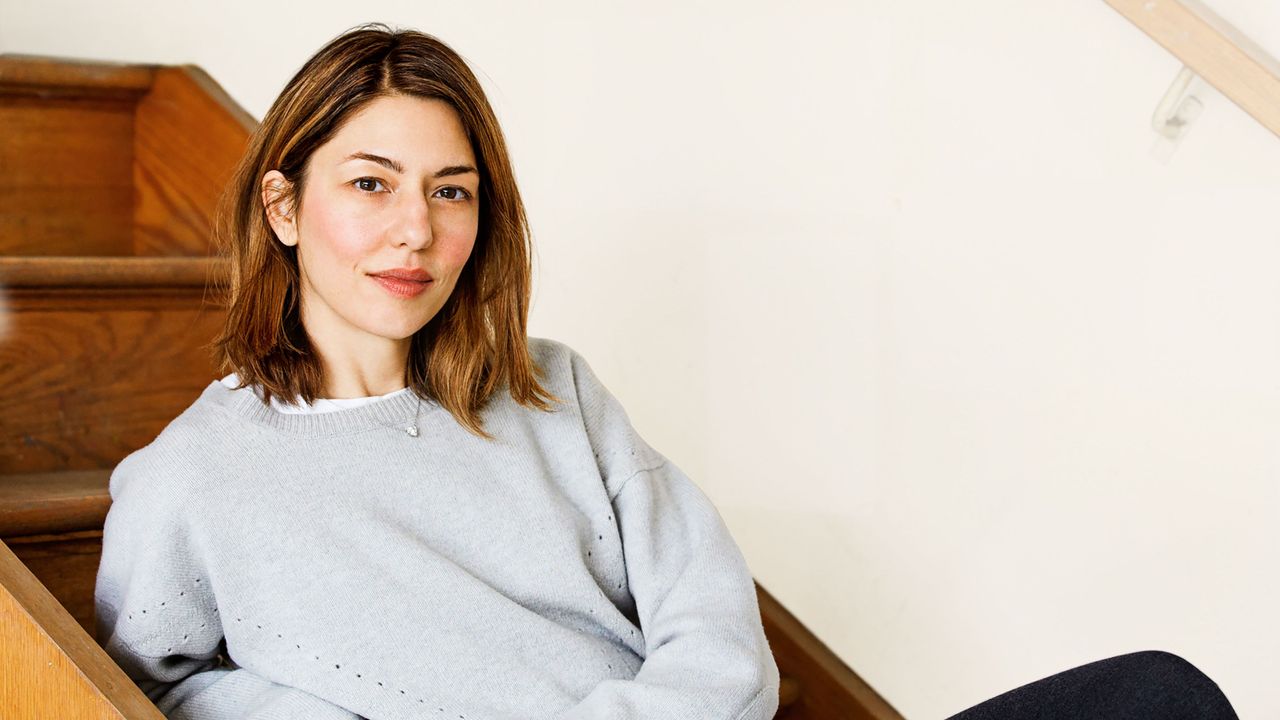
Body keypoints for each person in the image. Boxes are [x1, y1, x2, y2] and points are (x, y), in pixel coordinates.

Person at [93, 23, 779, 720]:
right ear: (283, 207)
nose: (416, 230)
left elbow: (723, 645)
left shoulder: (555, 390)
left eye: (450, 192)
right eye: (371, 183)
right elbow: (152, 688)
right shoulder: (192, 477)